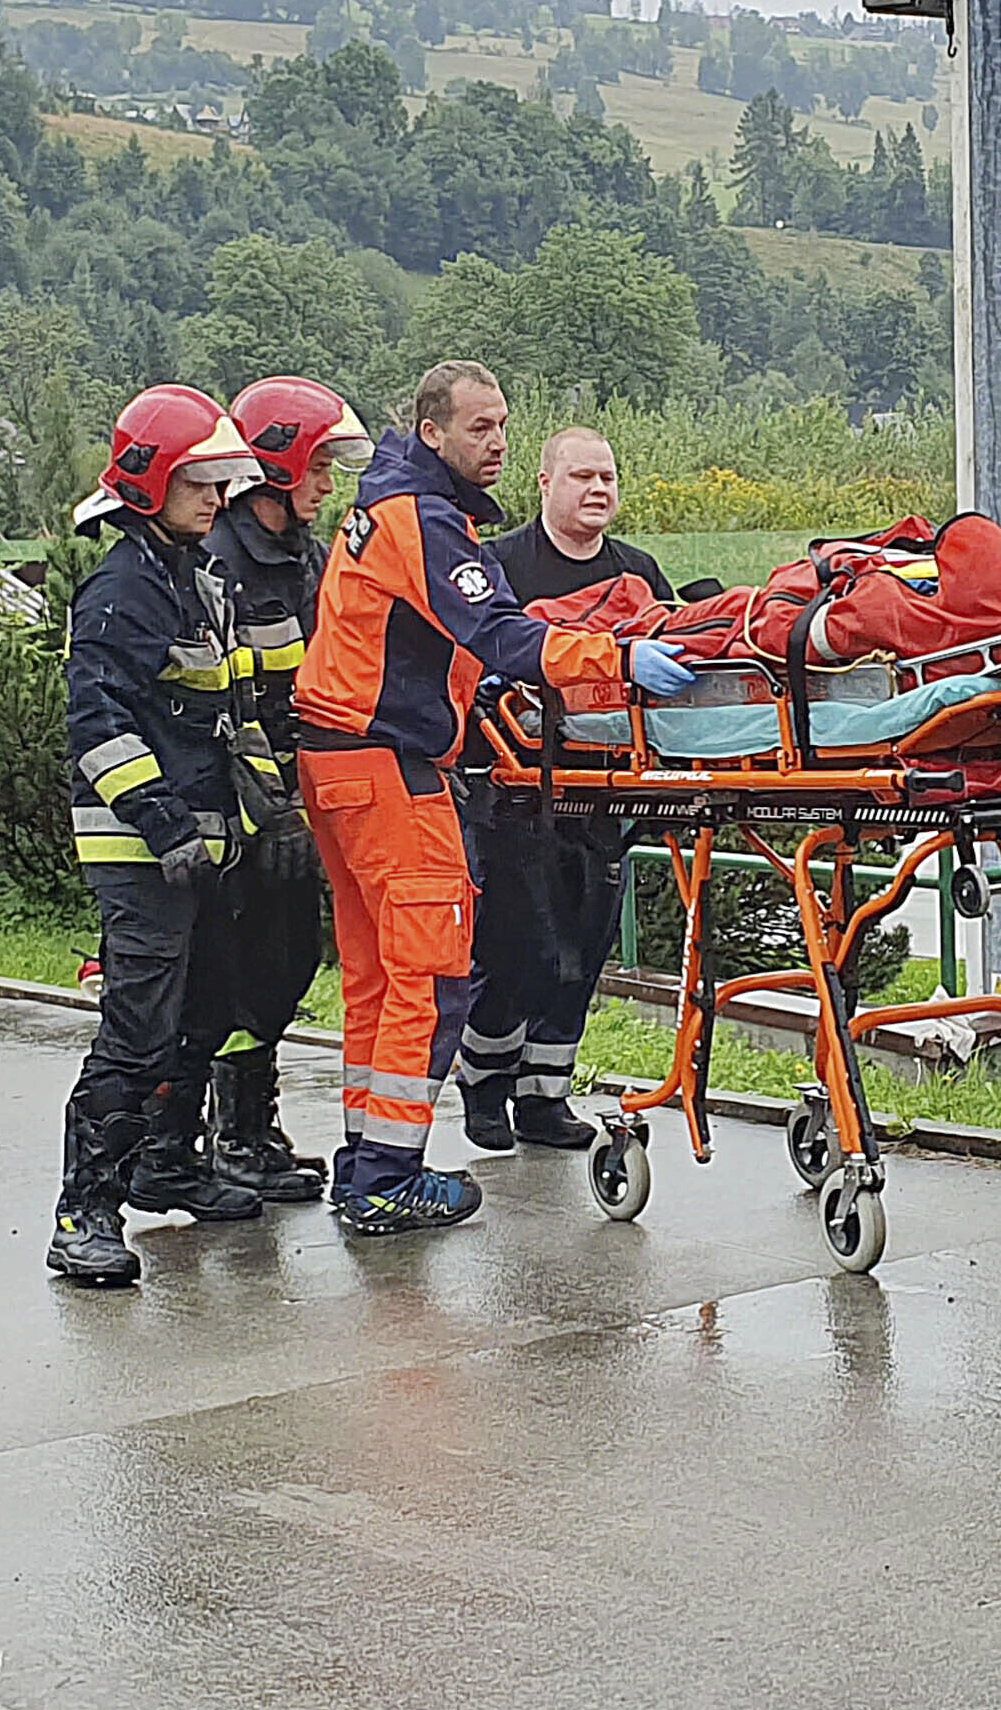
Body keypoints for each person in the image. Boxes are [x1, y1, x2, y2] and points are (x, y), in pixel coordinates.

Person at [288, 363, 695, 1235]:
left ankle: (364, 1161)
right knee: (432, 978)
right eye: (480, 427)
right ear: (432, 432)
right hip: (389, 765)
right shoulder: (420, 522)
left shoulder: (389, 510)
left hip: (341, 764)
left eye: (504, 424)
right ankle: (387, 1176)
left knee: (376, 979)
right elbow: (498, 634)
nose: (498, 442)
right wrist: (616, 661)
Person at [49, 386, 279, 1285]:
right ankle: (83, 1211)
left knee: (208, 1011)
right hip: (138, 846)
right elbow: (96, 722)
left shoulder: (191, 575)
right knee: (138, 1030)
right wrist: (165, 825)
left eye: (222, 480)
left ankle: (166, 1164)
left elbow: (227, 715)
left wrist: (273, 816)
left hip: (204, 841)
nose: (215, 497)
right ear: (149, 482)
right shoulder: (123, 587)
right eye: (198, 480)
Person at [459, 428, 673, 1151]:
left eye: (608, 475)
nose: (598, 488)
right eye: (581, 474)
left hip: (605, 794)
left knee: (581, 953)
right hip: (516, 792)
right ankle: (484, 1089)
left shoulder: (638, 572)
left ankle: (545, 1096)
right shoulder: (501, 566)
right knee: (520, 949)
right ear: (545, 482)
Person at [200, 375, 371, 1204]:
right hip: (245, 805)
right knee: (244, 963)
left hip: (301, 790)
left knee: (289, 957)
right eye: (317, 468)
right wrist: (271, 813)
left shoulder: (300, 553)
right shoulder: (224, 560)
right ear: (277, 464)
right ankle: (230, 1128)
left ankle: (248, 1122)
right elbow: (233, 707)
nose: (327, 485)